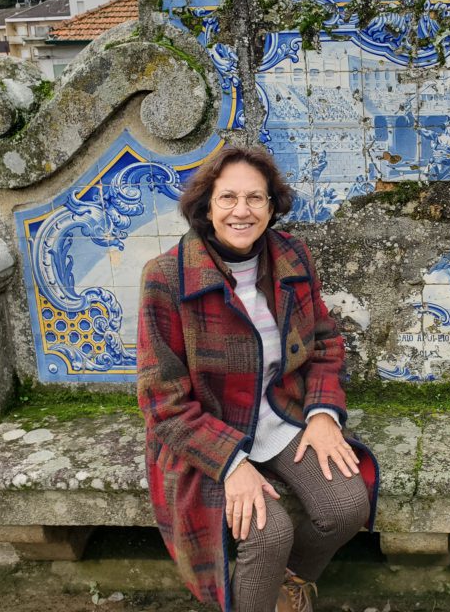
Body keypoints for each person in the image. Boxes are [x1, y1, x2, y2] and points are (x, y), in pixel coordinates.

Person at [137, 145, 378, 612]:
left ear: (272, 206)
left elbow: (324, 342)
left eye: (256, 198)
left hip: (281, 415)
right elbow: (161, 401)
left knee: (346, 506)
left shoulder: (291, 255)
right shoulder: (166, 278)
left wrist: (324, 413)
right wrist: (231, 464)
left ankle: (288, 585)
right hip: (208, 432)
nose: (241, 211)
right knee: (269, 534)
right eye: (228, 197)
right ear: (207, 205)